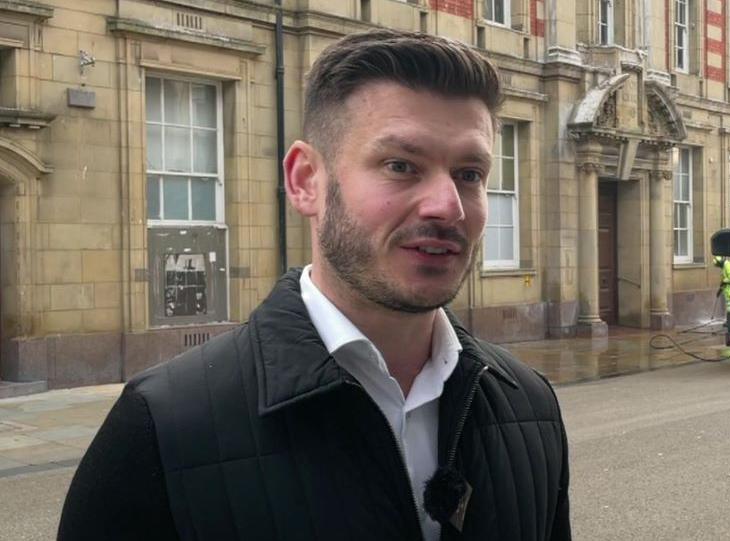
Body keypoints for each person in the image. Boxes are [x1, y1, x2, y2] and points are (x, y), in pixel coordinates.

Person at [58, 30, 570, 541]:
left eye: (469, 173)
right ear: (306, 181)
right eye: (400, 166)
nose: (448, 205)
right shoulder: (159, 427)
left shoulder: (531, 406)